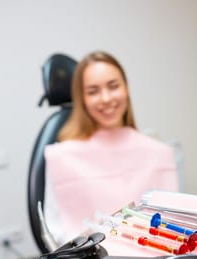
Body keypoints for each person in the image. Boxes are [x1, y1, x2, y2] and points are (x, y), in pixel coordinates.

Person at [44, 51, 178, 245]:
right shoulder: (61, 157)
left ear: (126, 88)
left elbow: (171, 221)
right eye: (93, 91)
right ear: (82, 98)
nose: (106, 98)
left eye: (113, 86)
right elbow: (56, 227)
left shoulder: (160, 153)